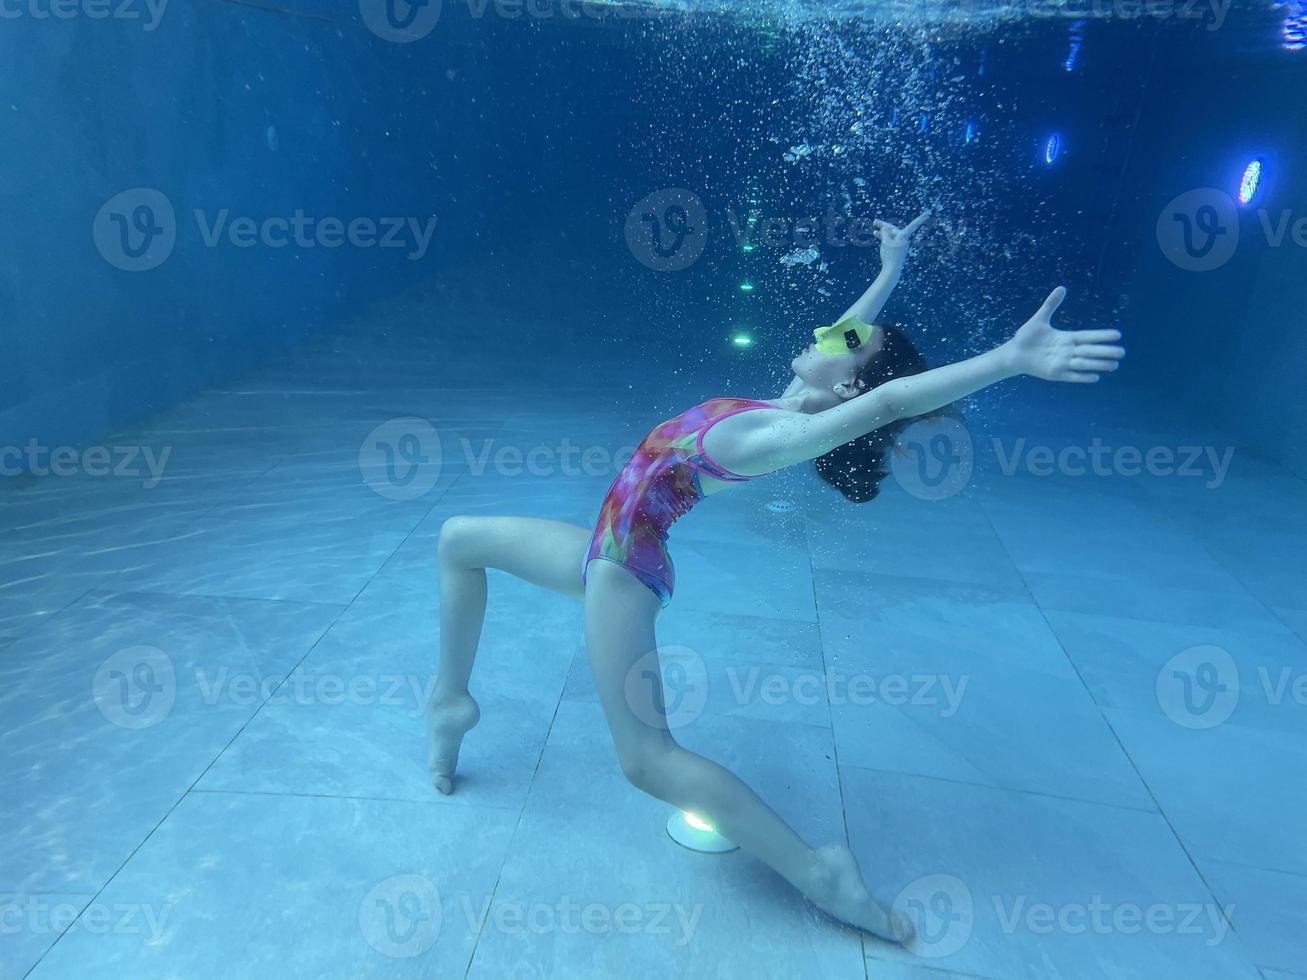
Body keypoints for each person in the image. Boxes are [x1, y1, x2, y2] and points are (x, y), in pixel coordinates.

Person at [426, 214, 1126, 946]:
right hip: (605, 546)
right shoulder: (785, 402)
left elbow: (886, 401)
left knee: (646, 761)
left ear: (849, 382)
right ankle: (449, 703)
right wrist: (889, 270)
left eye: (846, 346)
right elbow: (849, 343)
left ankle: (823, 875)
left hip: (620, 573)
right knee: (458, 542)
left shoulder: (777, 435)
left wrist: (1008, 358)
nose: (827, 332)